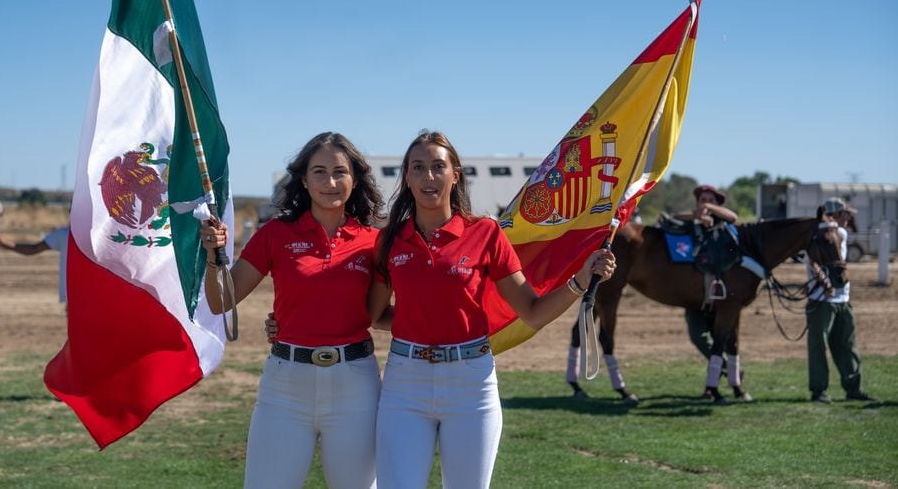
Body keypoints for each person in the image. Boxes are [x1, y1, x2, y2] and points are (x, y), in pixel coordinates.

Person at [368, 130, 616, 488]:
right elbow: (374, 315)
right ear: (406, 177)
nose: (429, 177)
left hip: (471, 385)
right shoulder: (388, 239)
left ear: (456, 174)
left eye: (438, 166)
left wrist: (579, 280)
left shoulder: (484, 232)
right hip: (404, 385)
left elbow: (532, 311)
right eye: (418, 167)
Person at [201, 132, 385, 488]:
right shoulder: (275, 234)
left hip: (356, 386)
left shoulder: (375, 241)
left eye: (339, 172)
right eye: (319, 171)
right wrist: (214, 256)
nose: (329, 182)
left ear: (355, 179)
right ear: (303, 179)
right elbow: (221, 300)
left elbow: (383, 312)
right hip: (285, 388)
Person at [805, 197, 875, 404]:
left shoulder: (839, 233)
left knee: (841, 344)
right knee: (827, 345)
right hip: (823, 299)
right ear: (835, 215)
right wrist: (824, 281)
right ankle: (823, 390)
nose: (849, 218)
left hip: (839, 298)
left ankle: (848, 388)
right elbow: (812, 261)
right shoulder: (826, 234)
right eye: (846, 214)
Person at [678, 185, 739, 360]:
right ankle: (722, 367)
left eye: (711, 200)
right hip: (696, 296)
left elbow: (733, 217)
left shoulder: (723, 223)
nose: (706, 203)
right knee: (697, 336)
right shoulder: (692, 222)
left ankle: (726, 371)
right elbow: (674, 218)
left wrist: (710, 209)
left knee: (725, 337)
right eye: (702, 200)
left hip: (722, 296)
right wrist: (696, 215)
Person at [0, 225, 70, 306]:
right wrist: (3, 243)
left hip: (72, 294)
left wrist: (3, 243)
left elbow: (33, 249)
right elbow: (33, 249)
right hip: (71, 295)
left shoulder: (63, 234)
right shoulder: (63, 234)